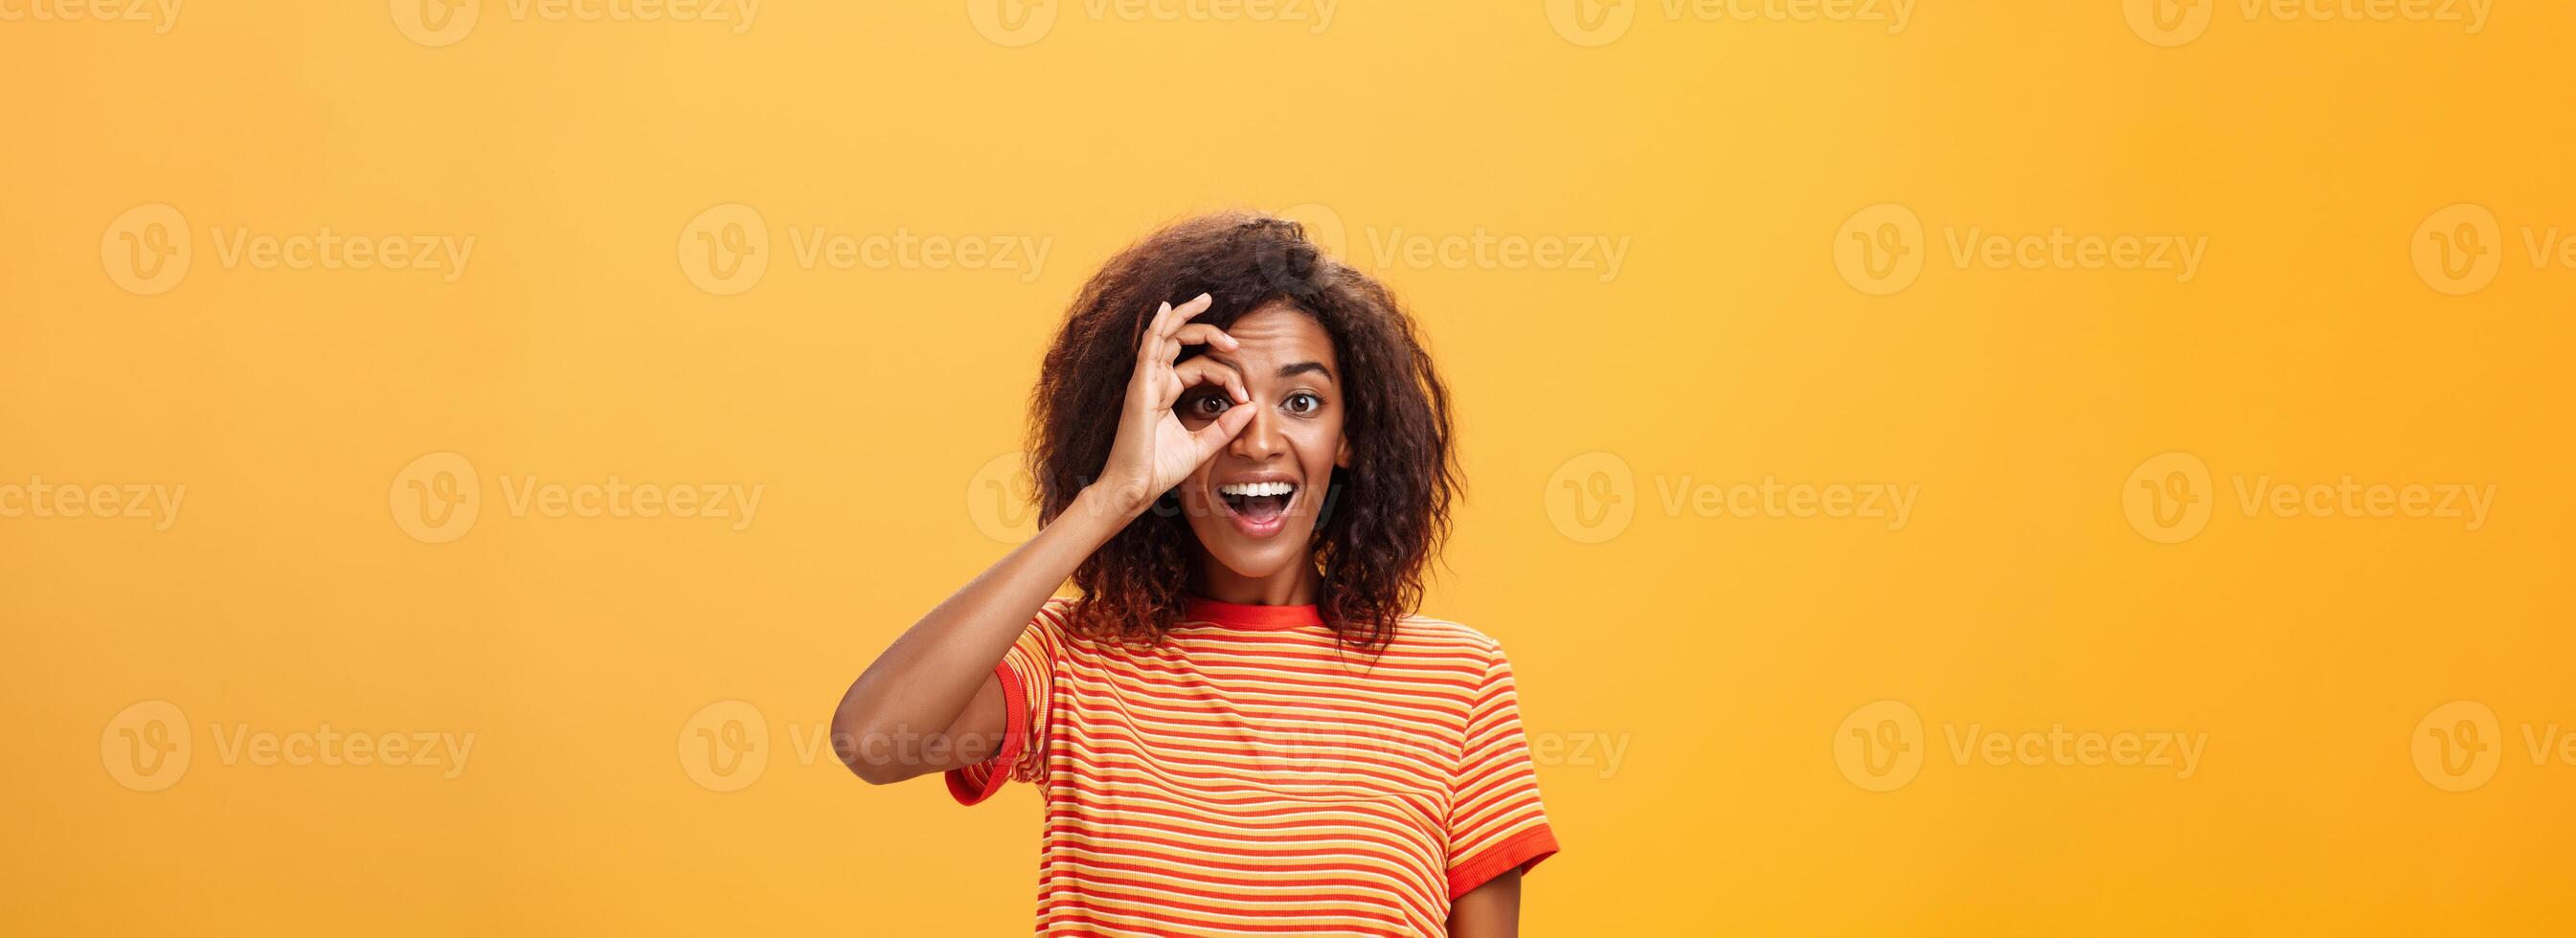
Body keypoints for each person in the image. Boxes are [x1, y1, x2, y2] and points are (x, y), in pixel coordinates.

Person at [832, 212, 1557, 935]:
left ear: (1350, 436)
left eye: (1301, 402)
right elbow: (872, 740)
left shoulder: (1459, 681)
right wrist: (1110, 497)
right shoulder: (1073, 657)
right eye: (1212, 402)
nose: (1260, 441)